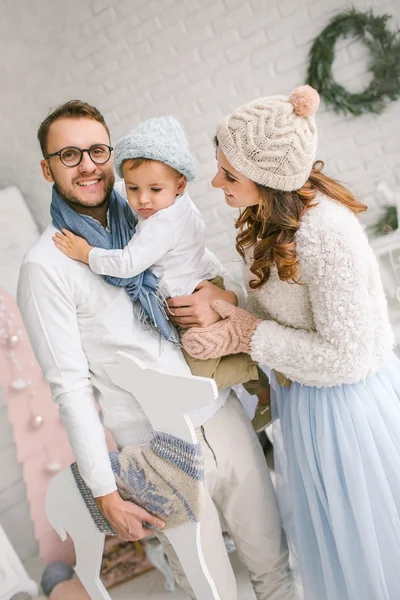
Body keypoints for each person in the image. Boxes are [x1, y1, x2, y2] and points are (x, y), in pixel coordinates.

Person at [17, 100, 296, 600]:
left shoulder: (148, 202)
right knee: (208, 590)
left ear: (112, 151)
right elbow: (70, 390)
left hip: (220, 414)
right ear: (47, 167)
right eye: (69, 155)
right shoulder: (46, 266)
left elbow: (207, 266)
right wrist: (106, 494)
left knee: (276, 569)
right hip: (155, 451)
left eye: (97, 150)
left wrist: (223, 299)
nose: (88, 165)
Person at [182, 85, 400, 600]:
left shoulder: (326, 232)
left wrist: (245, 333)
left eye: (228, 174)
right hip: (303, 404)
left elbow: (345, 357)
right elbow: (282, 313)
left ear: (268, 178)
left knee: (367, 546)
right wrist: (230, 302)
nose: (215, 182)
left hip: (345, 411)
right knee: (336, 549)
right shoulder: (268, 222)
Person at [51, 115, 271, 431]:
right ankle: (261, 390)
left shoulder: (163, 223)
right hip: (203, 284)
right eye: (134, 188)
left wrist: (87, 253)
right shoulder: (178, 205)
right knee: (211, 357)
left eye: (154, 188)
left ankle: (261, 388)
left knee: (201, 363)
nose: (142, 200)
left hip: (197, 298)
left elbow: (128, 263)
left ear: (180, 184)